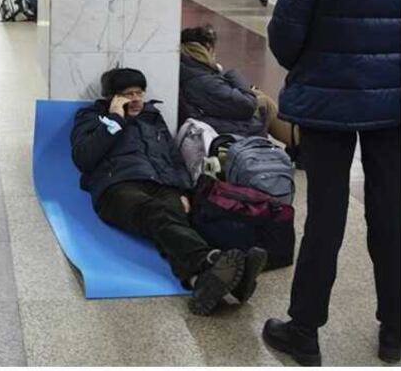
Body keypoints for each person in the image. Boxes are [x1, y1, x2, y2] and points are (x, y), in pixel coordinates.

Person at [262, 0, 401, 366]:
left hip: (326, 101)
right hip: (396, 103)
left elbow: (287, 30)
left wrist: (304, 63)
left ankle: (305, 330)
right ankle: (395, 330)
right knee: (391, 210)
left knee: (326, 213)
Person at [70, 67, 267, 315]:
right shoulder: (92, 118)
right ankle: (212, 264)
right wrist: (115, 120)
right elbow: (84, 158)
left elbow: (173, 157)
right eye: (128, 94)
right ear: (112, 97)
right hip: (117, 186)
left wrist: (184, 189)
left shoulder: (152, 116)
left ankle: (204, 278)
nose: (135, 99)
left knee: (172, 221)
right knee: (157, 214)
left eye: (139, 93)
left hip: (163, 184)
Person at [178, 25, 267, 137]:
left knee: (258, 97)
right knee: (264, 102)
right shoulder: (202, 79)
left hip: (213, 121)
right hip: (227, 130)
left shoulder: (190, 70)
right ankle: (294, 143)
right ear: (208, 48)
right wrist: (232, 74)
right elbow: (247, 105)